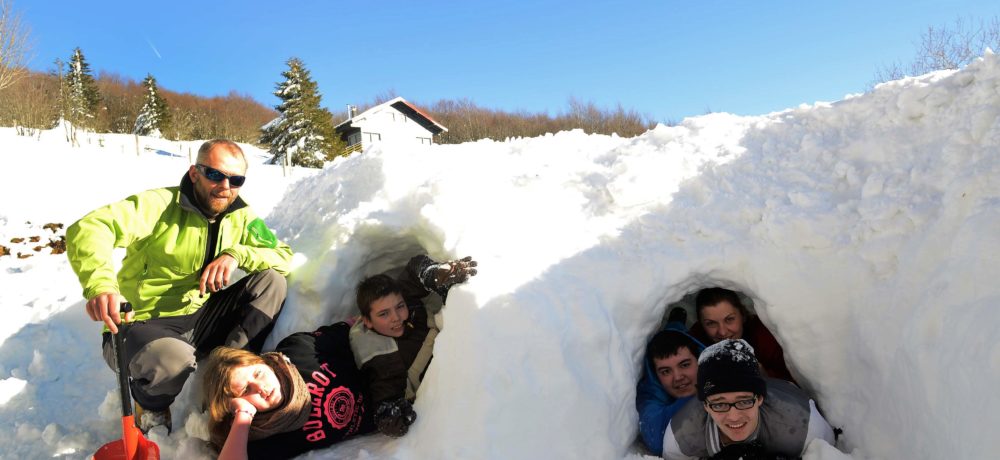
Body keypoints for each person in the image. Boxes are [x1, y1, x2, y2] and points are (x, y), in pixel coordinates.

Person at [66, 139, 292, 431]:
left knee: (272, 281)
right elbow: (91, 227)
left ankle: (225, 369)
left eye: (236, 179)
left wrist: (237, 254)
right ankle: (151, 404)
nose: (226, 186)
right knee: (172, 360)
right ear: (195, 172)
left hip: (199, 317)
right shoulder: (159, 205)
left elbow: (283, 257)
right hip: (140, 324)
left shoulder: (241, 216)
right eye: (215, 174)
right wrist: (101, 286)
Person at [202, 322, 376, 460]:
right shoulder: (262, 437)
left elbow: (354, 329)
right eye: (246, 390)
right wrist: (243, 415)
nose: (260, 388)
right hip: (386, 418)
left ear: (263, 362)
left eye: (258, 373)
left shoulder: (299, 350)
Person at [349, 254, 477, 437]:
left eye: (399, 307)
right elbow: (384, 397)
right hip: (452, 373)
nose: (396, 317)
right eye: (384, 314)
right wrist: (390, 417)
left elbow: (414, 267)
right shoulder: (381, 356)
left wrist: (432, 274)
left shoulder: (400, 297)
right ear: (367, 321)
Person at [662, 339, 836, 460]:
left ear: (760, 398)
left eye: (744, 401)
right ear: (705, 406)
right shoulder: (681, 439)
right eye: (720, 404)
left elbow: (827, 452)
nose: (734, 416)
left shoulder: (803, 429)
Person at [688, 288, 794, 382]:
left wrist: (765, 375)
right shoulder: (694, 340)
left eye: (729, 319)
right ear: (701, 324)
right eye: (711, 323)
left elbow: (793, 384)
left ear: (742, 315)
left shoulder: (764, 336)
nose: (722, 332)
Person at [636, 318, 706, 454]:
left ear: (700, 361)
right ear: (655, 374)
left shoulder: (717, 369)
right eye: (666, 371)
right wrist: (703, 394)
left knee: (675, 329)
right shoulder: (650, 392)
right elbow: (656, 439)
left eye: (685, 365)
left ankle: (677, 320)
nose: (678, 377)